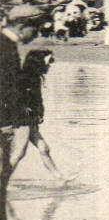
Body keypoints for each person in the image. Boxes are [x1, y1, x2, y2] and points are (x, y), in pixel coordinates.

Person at [0, 5, 44, 220]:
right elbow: (8, 87)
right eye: (35, 29)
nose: (37, 35)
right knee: (4, 169)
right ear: (22, 25)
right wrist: (18, 119)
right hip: (5, 119)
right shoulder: (6, 48)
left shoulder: (7, 44)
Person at [9, 50, 68, 182]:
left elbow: (38, 100)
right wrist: (27, 110)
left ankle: (60, 178)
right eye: (47, 63)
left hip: (29, 119)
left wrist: (40, 113)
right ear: (38, 63)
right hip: (22, 119)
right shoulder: (23, 78)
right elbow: (14, 97)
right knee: (19, 152)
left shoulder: (35, 78)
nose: (49, 66)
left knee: (43, 148)